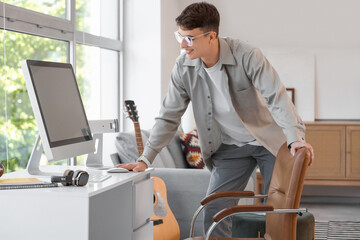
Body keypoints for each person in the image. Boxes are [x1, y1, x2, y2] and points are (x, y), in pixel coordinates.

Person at [116, 2, 314, 237]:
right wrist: (145, 158)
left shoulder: (247, 55)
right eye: (179, 35)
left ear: (211, 36)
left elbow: (277, 97)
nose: (182, 44)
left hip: (268, 142)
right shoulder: (183, 67)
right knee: (213, 210)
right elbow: (169, 116)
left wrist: (295, 138)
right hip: (229, 147)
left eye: (189, 38)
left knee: (279, 213)